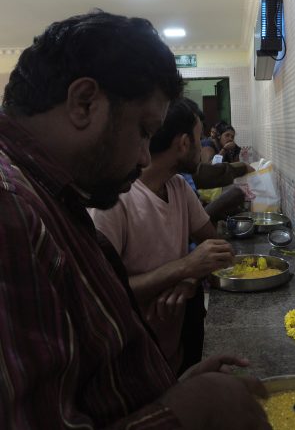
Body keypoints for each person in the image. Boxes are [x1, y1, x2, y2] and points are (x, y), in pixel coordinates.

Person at [0, 11, 271, 430]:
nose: (146, 156)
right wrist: (191, 410)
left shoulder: (55, 197)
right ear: (84, 102)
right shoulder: (11, 207)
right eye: (144, 130)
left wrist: (166, 393)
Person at [89, 98, 235, 374]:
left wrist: (189, 278)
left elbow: (215, 245)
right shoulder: (113, 202)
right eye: (198, 136)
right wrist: (183, 267)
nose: (202, 143)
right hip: (127, 365)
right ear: (183, 143)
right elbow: (101, 295)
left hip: (172, 350)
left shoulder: (178, 186)